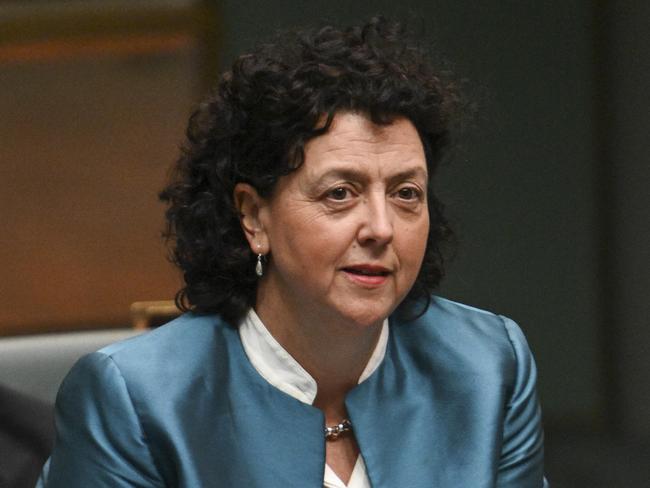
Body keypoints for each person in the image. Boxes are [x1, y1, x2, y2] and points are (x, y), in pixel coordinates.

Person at [37, 17, 547, 487]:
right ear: (254, 217)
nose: (381, 227)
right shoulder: (138, 399)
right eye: (339, 194)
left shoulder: (487, 365)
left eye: (405, 193)